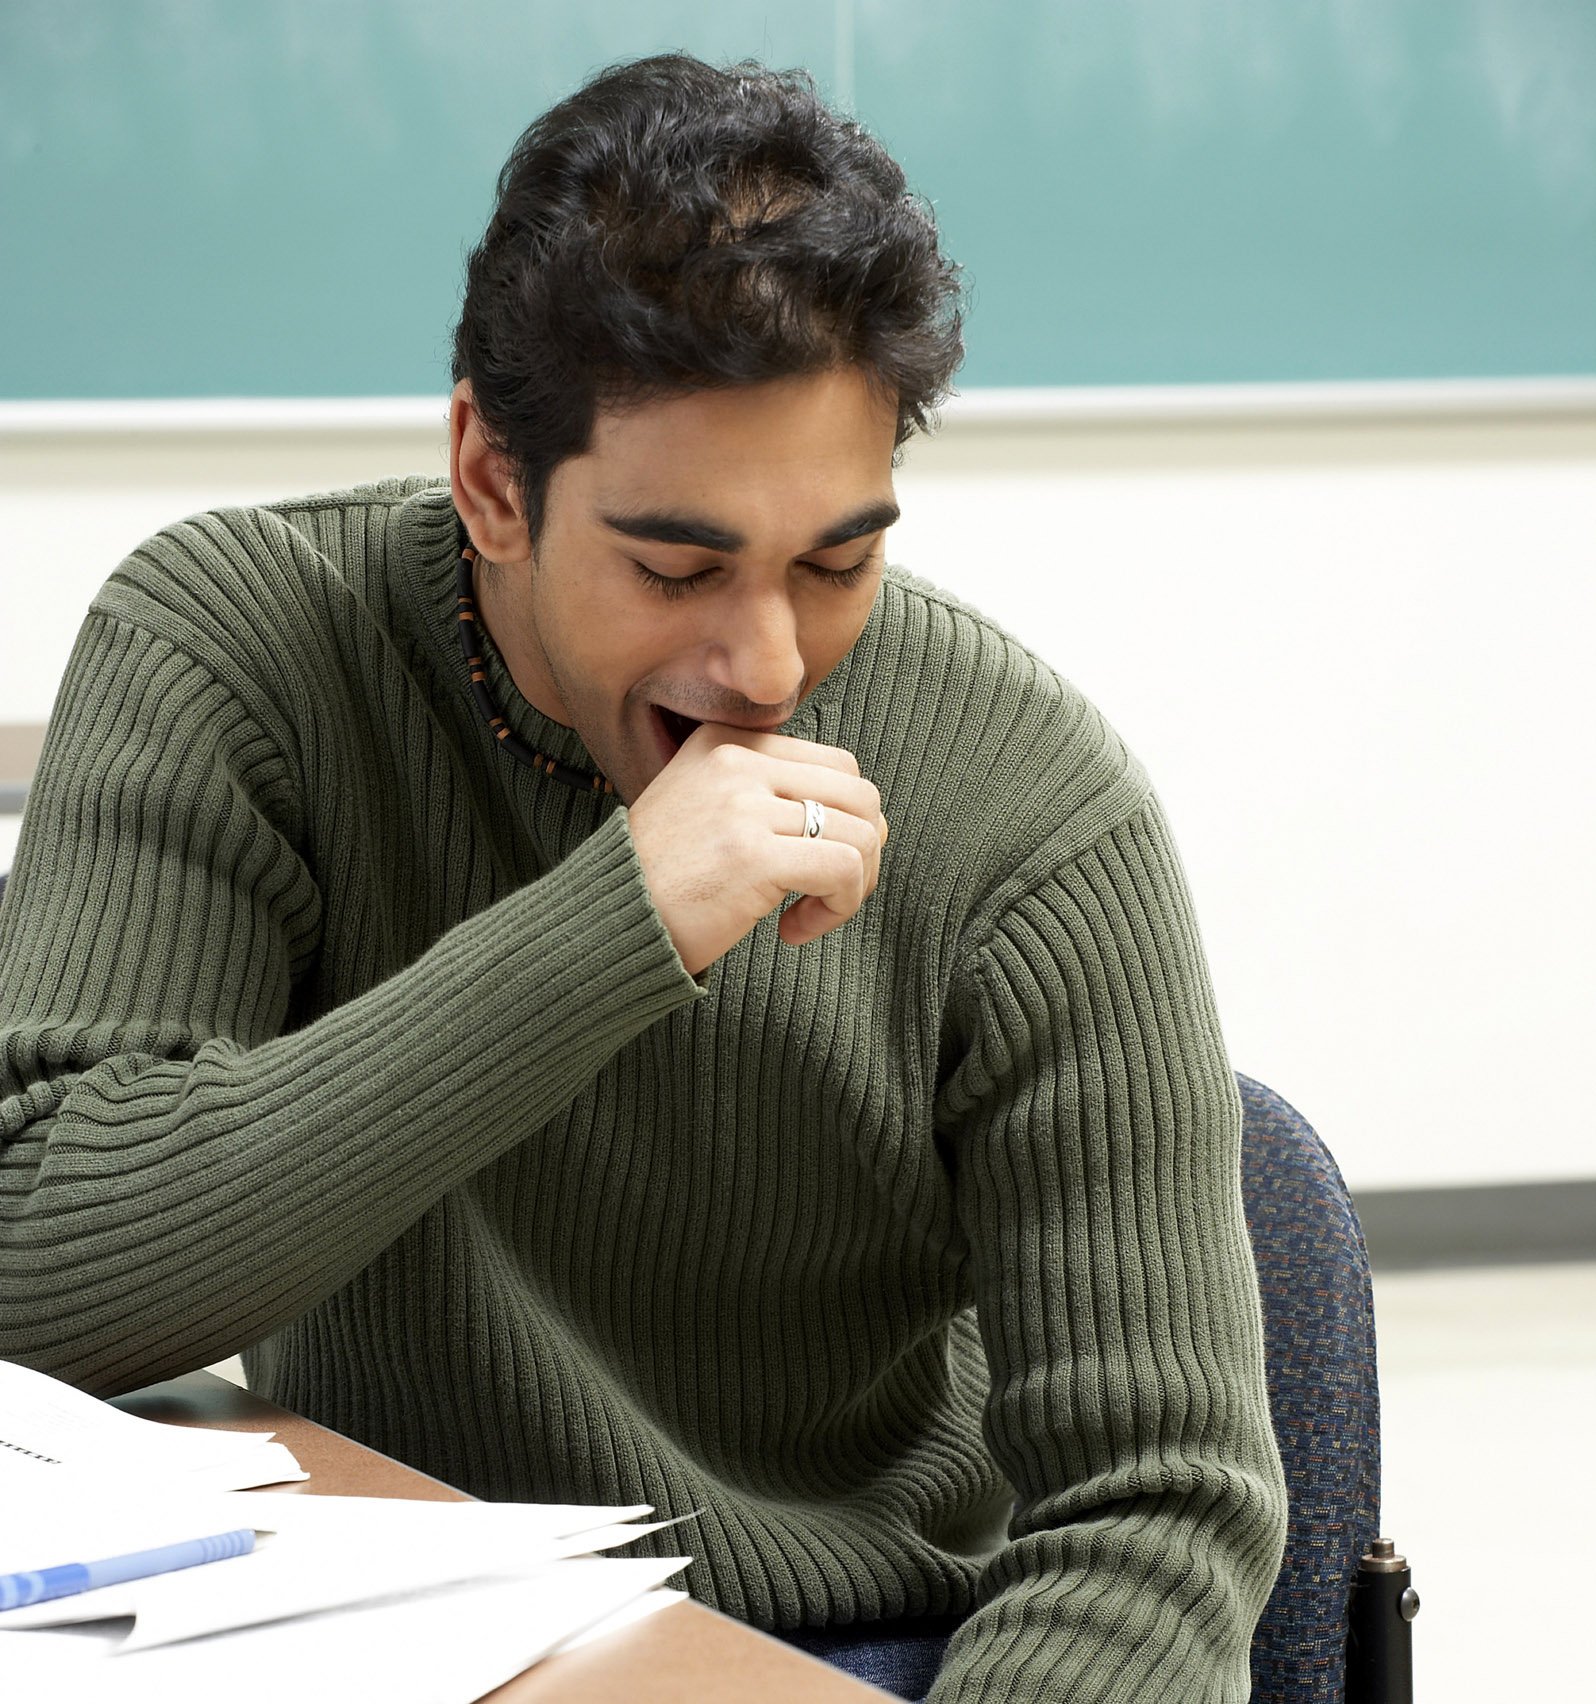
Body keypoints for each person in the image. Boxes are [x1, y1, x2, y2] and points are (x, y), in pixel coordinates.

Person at [0, 54, 1286, 1703]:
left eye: (840, 561)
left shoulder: (1037, 805)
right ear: (488, 478)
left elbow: (1163, 1503)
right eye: (676, 567)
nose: (765, 664)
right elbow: (33, 1272)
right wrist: (623, 919)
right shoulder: (239, 648)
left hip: (866, 1651)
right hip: (384, 1619)